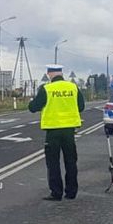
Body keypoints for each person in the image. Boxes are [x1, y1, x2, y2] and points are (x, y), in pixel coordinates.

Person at [29, 65, 85, 201]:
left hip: (53, 131)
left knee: (53, 162)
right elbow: (81, 106)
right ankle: (71, 192)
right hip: (69, 131)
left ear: (49, 74)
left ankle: (56, 192)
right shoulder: (73, 87)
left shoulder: (47, 89)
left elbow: (33, 107)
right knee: (71, 161)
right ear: (61, 73)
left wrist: (32, 102)